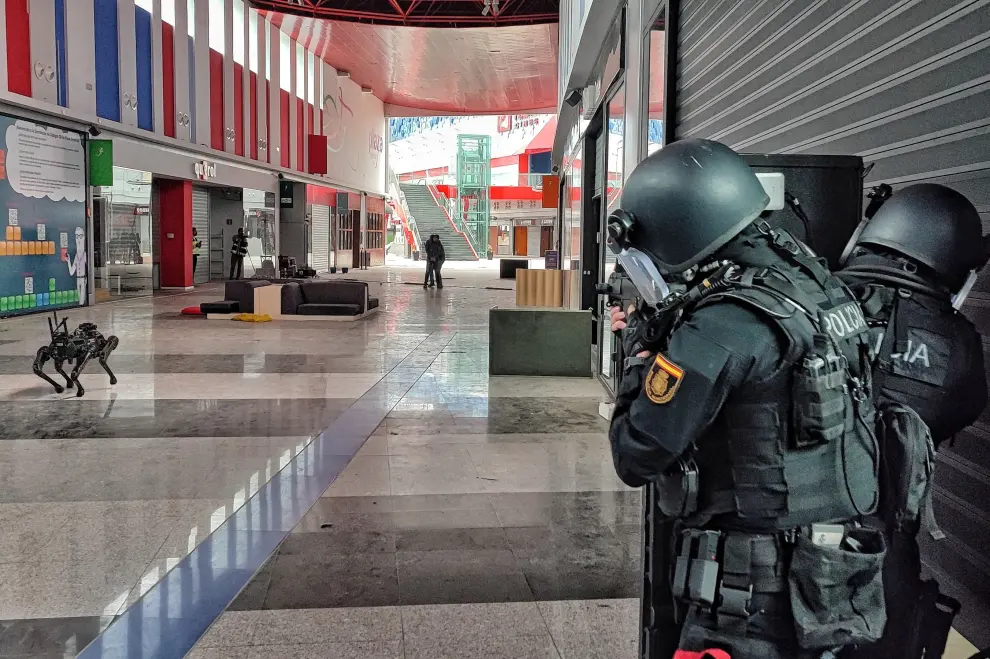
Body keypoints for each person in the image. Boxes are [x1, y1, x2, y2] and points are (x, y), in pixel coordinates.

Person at [608, 139, 883, 659]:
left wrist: (639, 359)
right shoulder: (822, 287)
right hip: (836, 582)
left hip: (749, 603)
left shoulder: (723, 324)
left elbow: (636, 453)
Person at [835, 183, 987, 659]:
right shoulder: (957, 341)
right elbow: (960, 410)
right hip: (880, 556)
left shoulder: (807, 299)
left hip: (768, 550)